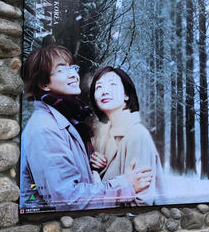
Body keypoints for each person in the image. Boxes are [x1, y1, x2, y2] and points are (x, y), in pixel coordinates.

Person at [19, 45, 152, 212]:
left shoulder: (66, 120)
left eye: (73, 68)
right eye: (62, 70)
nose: (74, 75)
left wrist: (89, 167)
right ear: (44, 83)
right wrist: (125, 185)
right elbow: (68, 199)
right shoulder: (45, 128)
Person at [89, 66, 165, 206]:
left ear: (126, 95)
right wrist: (94, 169)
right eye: (98, 87)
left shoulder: (137, 135)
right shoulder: (100, 136)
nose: (104, 91)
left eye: (112, 85)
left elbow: (142, 201)